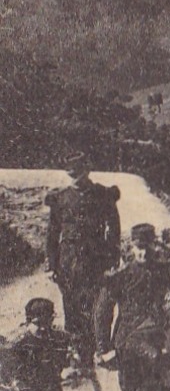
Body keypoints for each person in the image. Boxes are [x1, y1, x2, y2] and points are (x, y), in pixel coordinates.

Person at [45, 158, 121, 369]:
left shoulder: (103, 195)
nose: (75, 180)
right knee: (71, 304)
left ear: (87, 172)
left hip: (96, 259)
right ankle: (79, 351)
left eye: (78, 175)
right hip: (68, 262)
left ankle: (99, 348)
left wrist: (113, 260)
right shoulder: (60, 198)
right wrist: (51, 264)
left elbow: (113, 230)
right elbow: (52, 234)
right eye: (71, 176)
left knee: (98, 304)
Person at [94, 224, 170, 391]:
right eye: (138, 247)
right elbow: (102, 312)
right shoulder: (120, 277)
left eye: (147, 247)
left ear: (154, 246)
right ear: (131, 247)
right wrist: (104, 349)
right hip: (130, 346)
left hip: (162, 343)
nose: (143, 253)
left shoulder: (165, 272)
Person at [8, 299, 76, 391]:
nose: (44, 329)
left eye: (47, 323)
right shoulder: (18, 345)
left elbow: (69, 359)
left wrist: (70, 366)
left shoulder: (57, 337)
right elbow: (15, 380)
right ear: (30, 322)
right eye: (39, 325)